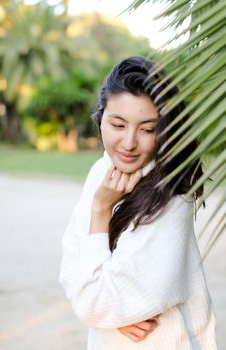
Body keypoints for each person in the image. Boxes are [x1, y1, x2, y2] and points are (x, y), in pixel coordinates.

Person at [59, 56, 217, 349]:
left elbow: (92, 302)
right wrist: (112, 311)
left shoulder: (170, 195)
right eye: (118, 124)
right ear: (100, 118)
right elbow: (70, 272)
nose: (129, 143)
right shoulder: (100, 174)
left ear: (165, 131)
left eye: (147, 129)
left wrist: (100, 209)